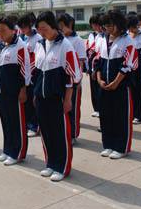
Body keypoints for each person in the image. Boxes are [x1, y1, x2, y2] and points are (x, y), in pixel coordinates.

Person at [33, 11, 81, 181]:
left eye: (44, 28)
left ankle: (62, 167)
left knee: (60, 133)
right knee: (46, 131)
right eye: (39, 29)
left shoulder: (65, 45)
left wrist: (68, 99)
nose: (41, 32)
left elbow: (73, 76)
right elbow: (36, 72)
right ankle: (50, 163)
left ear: (53, 26)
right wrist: (35, 93)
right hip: (41, 97)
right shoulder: (39, 44)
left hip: (57, 98)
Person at [0, 16, 31, 165]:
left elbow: (25, 69)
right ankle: (7, 149)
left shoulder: (20, 46)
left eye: (3, 30)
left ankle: (18, 152)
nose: (0, 33)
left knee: (17, 122)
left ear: (13, 30)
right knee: (5, 121)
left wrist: (23, 90)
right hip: (1, 91)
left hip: (15, 91)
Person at [96, 10, 136, 158]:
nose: (108, 29)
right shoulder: (102, 40)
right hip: (104, 85)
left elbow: (127, 64)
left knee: (121, 117)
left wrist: (115, 82)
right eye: (106, 26)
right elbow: (98, 61)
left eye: (111, 25)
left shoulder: (127, 41)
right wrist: (99, 79)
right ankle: (108, 144)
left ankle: (121, 147)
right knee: (106, 116)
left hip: (120, 86)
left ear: (119, 25)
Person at [58, 14, 86, 143]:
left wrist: (78, 80)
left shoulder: (77, 40)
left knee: (73, 108)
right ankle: (64, 131)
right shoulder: (59, 39)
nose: (60, 28)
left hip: (74, 79)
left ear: (69, 25)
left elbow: (80, 62)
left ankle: (73, 134)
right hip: (61, 78)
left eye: (62, 26)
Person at [17, 14, 43, 137]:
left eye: (24, 27)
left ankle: (35, 125)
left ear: (30, 25)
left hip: (33, 74)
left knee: (33, 101)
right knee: (25, 101)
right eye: (20, 27)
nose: (22, 29)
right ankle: (28, 123)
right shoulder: (21, 38)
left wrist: (30, 72)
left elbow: (37, 58)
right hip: (24, 74)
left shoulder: (37, 38)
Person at [127, 14, 141, 124]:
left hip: (140, 66)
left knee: (139, 91)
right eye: (129, 28)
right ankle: (132, 113)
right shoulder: (126, 35)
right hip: (130, 67)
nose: (131, 30)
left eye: (133, 27)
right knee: (131, 90)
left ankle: (139, 115)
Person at [86, 14, 103, 118]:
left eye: (96, 24)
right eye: (92, 25)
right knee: (93, 89)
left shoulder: (103, 36)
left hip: (99, 65)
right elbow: (89, 50)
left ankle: (101, 108)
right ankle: (96, 108)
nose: (94, 27)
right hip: (92, 63)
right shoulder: (91, 35)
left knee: (99, 88)